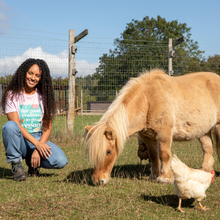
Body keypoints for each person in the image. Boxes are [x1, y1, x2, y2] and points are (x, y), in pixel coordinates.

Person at [1, 58, 68, 181]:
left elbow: (47, 128)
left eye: (38, 75)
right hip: (20, 138)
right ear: (23, 73)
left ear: (41, 78)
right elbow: (16, 124)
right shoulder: (12, 95)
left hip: (37, 137)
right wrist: (37, 144)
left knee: (60, 161)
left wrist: (38, 147)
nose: (33, 78)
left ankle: (33, 165)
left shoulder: (44, 97)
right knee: (9, 126)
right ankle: (16, 165)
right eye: (30, 73)